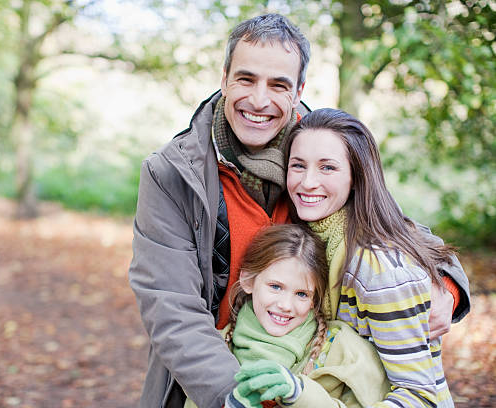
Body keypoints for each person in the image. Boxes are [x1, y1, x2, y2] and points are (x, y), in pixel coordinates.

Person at [128, 14, 470, 408]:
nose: (259, 100)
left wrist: (444, 285)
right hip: (215, 379)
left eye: (278, 85)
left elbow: (389, 221)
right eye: (246, 79)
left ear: (298, 90)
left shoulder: (320, 148)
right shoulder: (172, 173)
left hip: (318, 380)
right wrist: (232, 396)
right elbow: (171, 305)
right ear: (224, 79)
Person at [233, 108, 466, 407]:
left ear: (357, 177)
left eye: (327, 168)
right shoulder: (310, 237)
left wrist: (451, 289)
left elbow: (420, 396)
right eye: (298, 165)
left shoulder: (376, 270)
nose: (307, 182)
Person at [185, 224, 390, 408]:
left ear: (314, 300)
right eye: (275, 287)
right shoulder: (217, 349)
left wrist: (300, 395)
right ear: (248, 280)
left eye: (302, 294)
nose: (285, 305)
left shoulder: (343, 349)